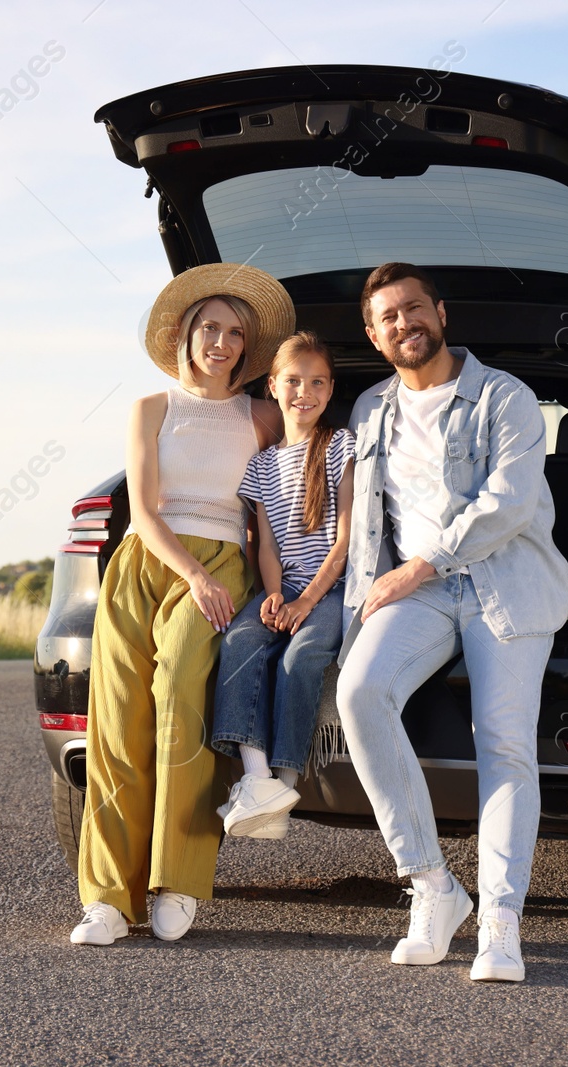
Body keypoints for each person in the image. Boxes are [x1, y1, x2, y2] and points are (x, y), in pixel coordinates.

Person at [335, 262, 568, 982]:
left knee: (503, 740)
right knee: (360, 693)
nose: (403, 323)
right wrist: (360, 605)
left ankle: (502, 920)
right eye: (387, 316)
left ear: (440, 313)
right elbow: (365, 530)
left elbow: (508, 503)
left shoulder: (504, 397)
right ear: (373, 334)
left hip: (505, 580)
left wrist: (418, 566)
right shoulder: (370, 409)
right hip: (417, 592)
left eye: (413, 308)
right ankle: (433, 886)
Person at [69, 263, 295, 947]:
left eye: (234, 333)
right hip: (149, 564)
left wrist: (276, 586)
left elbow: (279, 512)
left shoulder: (262, 416)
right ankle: (107, 899)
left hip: (223, 570)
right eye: (209, 329)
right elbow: (141, 509)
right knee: (117, 726)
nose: (221, 342)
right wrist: (190, 572)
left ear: (248, 348)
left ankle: (177, 881)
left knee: (181, 705)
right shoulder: (149, 409)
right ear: (183, 336)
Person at [210, 331, 354, 839]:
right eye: (293, 381)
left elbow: (345, 543)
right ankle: (256, 779)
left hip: (331, 589)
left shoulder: (341, 447)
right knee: (243, 640)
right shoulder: (262, 465)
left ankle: (284, 783)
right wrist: (273, 595)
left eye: (317, 382)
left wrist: (305, 602)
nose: (304, 392)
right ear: (272, 386)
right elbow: (265, 545)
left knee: (303, 654)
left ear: (331, 389)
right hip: (285, 587)